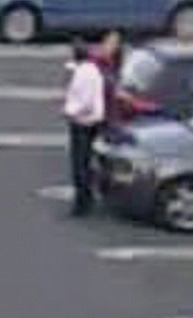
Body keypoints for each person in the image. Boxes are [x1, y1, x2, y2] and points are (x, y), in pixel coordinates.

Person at [62, 38, 105, 217]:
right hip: (90, 120)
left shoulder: (84, 74)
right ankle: (86, 197)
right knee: (84, 162)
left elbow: (85, 101)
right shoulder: (91, 70)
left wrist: (70, 111)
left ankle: (83, 202)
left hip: (83, 121)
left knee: (80, 164)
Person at [91, 30, 124, 137]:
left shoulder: (115, 61)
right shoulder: (96, 61)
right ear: (104, 43)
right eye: (112, 43)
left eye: (118, 43)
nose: (115, 46)